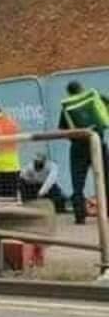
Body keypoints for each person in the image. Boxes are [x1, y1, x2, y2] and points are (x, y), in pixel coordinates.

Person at [58, 80, 109, 224]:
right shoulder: (93, 96)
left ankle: (80, 216)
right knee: (106, 178)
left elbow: (63, 131)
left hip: (79, 147)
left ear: (69, 92)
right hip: (98, 142)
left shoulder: (67, 107)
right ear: (82, 88)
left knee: (78, 183)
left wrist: (77, 139)